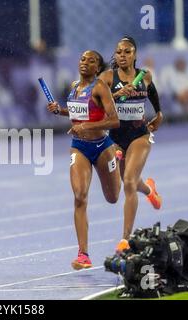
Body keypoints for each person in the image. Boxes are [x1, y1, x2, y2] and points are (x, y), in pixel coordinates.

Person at [47, 50, 121, 270]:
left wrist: (87, 126)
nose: (85, 63)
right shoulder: (74, 87)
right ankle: (83, 255)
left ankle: (116, 158)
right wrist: (59, 110)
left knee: (113, 197)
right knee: (79, 196)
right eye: (82, 59)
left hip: (102, 147)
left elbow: (114, 120)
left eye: (91, 61)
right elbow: (76, 115)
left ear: (97, 68)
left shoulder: (100, 88)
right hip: (79, 147)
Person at [99, 36, 163, 251]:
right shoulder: (107, 77)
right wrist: (116, 95)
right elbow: (96, 104)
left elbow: (152, 92)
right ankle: (150, 191)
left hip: (140, 135)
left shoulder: (144, 76)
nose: (122, 55)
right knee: (132, 183)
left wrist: (159, 113)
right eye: (119, 52)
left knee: (128, 182)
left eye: (127, 51)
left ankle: (125, 239)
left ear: (135, 54)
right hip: (116, 137)